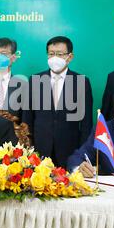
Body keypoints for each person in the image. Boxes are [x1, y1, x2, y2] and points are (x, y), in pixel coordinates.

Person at [22, 36, 93, 168]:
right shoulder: (35, 80)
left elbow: (86, 124)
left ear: (70, 57)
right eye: (51, 54)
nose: (55, 58)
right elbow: (28, 117)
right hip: (40, 150)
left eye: (60, 54)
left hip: (70, 151)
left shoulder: (81, 82)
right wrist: (29, 148)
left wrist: (83, 154)